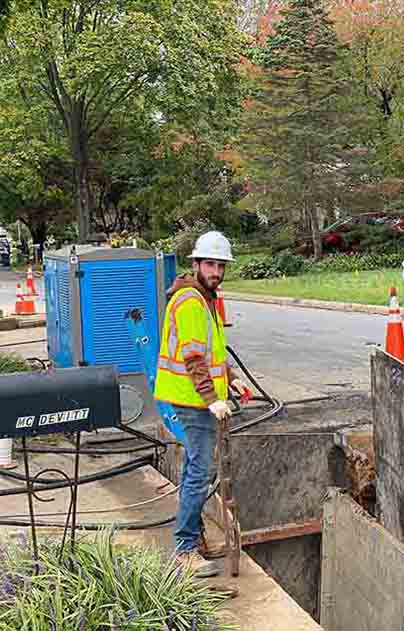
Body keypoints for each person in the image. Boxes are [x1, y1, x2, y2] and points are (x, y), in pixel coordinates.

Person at [154, 231, 251, 578]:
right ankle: (184, 548)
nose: (216, 271)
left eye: (221, 265)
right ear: (195, 264)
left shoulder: (203, 297)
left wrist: (231, 377)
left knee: (197, 467)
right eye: (210, 264)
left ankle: (192, 537)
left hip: (195, 397)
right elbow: (194, 358)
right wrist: (213, 400)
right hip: (191, 399)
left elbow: (211, 352)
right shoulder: (192, 301)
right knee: (200, 470)